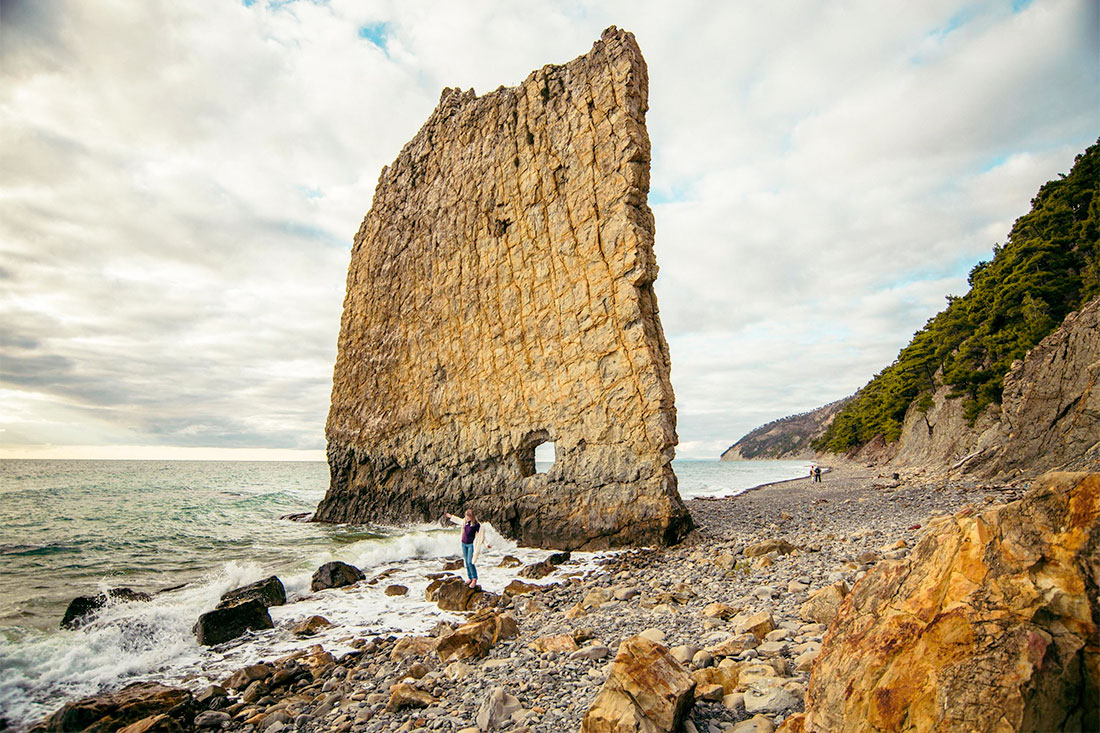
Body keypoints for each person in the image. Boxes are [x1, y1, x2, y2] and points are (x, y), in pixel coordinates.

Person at [445, 509, 489, 587]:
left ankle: (474, 579)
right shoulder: (465, 522)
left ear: (472, 517)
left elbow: (481, 536)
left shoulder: (476, 525)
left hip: (471, 545)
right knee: (466, 562)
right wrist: (451, 516)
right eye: (466, 516)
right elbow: (458, 520)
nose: (466, 517)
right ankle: (470, 578)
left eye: (468, 516)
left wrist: (486, 544)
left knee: (470, 562)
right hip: (464, 544)